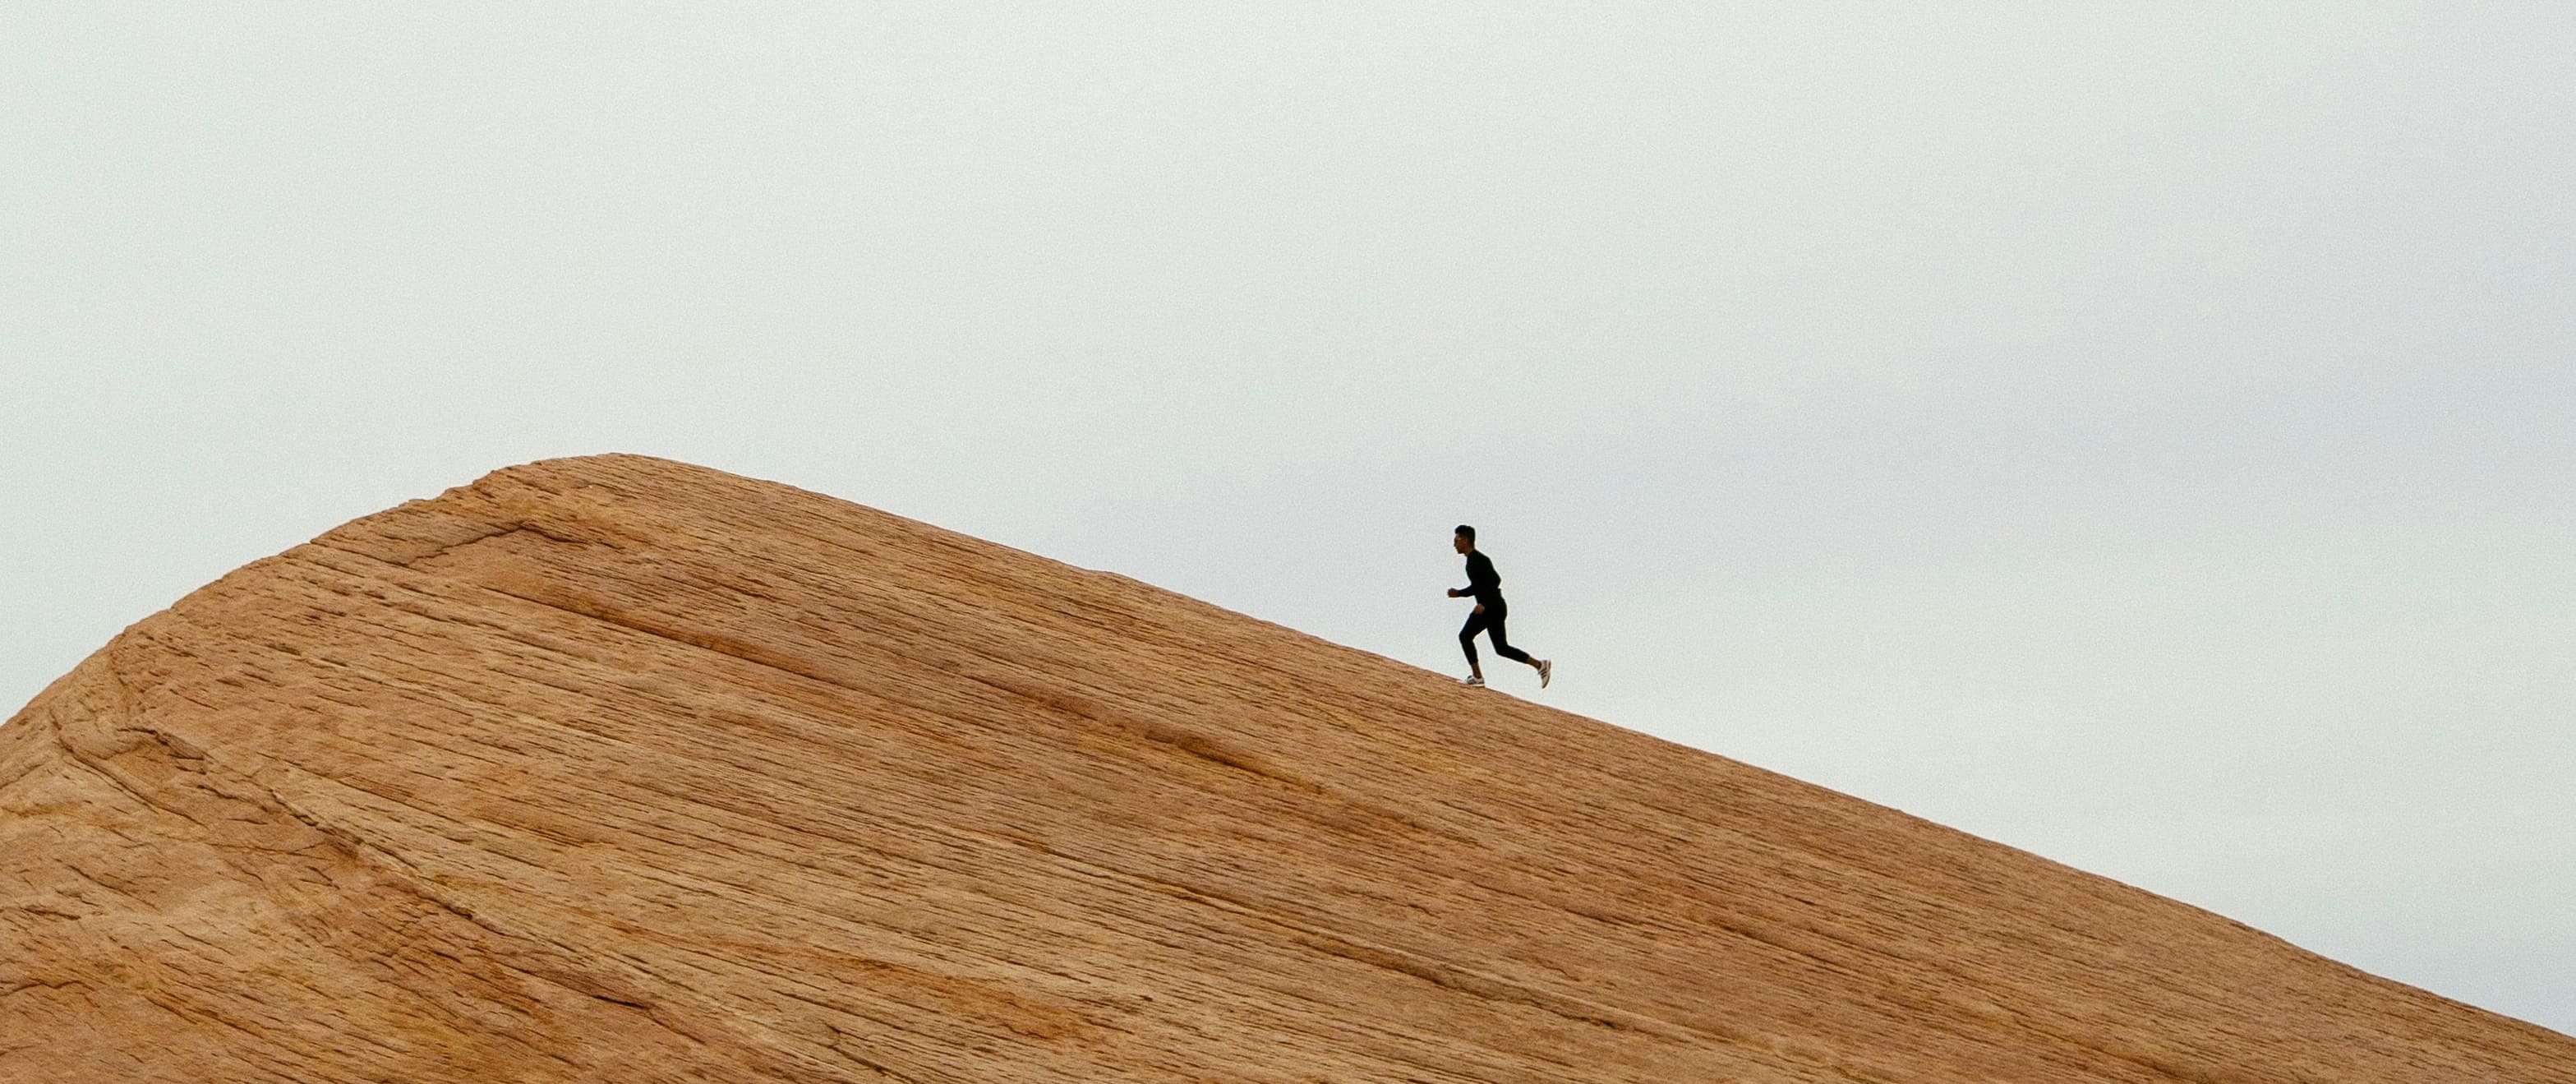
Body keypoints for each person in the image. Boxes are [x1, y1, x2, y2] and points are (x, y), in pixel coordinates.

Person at [1447, 524, 1551, 689]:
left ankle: (1477, 677)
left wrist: (1484, 604)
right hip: (1495, 607)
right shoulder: (1471, 561)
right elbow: (1477, 586)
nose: (1454, 544)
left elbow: (1495, 580)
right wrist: (1459, 593)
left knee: (1465, 636)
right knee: (1501, 648)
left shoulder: (1478, 560)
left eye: (1456, 540)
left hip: (1492, 607)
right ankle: (1540, 665)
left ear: (1465, 540)